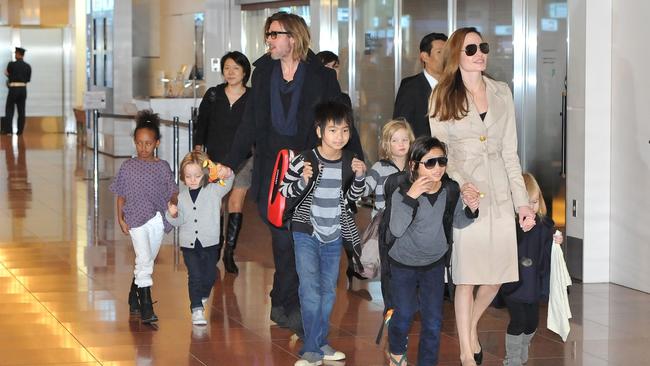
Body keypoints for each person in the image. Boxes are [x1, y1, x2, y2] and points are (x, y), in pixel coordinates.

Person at [218, 11, 364, 337]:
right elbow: (250, 123)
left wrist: (356, 160)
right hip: (273, 169)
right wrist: (230, 160)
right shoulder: (265, 71)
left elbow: (341, 117)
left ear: (292, 38)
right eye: (267, 35)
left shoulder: (321, 76)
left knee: (302, 240)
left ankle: (288, 305)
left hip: (311, 168)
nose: (268, 40)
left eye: (274, 34)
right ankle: (283, 299)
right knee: (283, 240)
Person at [428, 27, 536, 366]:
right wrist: (460, 183)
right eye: (472, 48)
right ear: (457, 53)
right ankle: (465, 352)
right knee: (467, 276)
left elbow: (510, 152)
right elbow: (441, 154)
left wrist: (522, 202)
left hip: (502, 194)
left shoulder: (502, 92)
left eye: (483, 47)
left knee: (495, 278)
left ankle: (468, 327)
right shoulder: (442, 95)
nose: (480, 53)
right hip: (468, 196)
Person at [279, 101, 366, 366]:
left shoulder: (350, 162)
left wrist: (360, 178)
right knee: (310, 291)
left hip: (334, 233)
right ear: (319, 131)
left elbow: (353, 202)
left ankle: (318, 344)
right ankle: (313, 349)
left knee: (328, 292)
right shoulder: (304, 159)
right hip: (306, 232)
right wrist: (302, 180)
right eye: (332, 130)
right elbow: (285, 192)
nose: (339, 136)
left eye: (344, 131)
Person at [387, 136, 478, 366]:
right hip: (403, 263)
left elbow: (458, 221)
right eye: (430, 162)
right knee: (405, 313)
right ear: (413, 165)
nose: (437, 168)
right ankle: (396, 348)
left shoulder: (450, 189)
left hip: (433, 265)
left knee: (434, 322)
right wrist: (411, 197)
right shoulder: (401, 192)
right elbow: (396, 229)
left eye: (441, 161)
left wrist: (472, 210)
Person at [109, 110, 178, 324]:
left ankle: (133, 295)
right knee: (145, 259)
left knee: (145, 259)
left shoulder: (163, 167)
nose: (143, 148)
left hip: (157, 219)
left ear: (156, 143)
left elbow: (173, 189)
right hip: (135, 219)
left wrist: (173, 202)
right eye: (139, 143)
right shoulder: (128, 166)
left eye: (148, 143)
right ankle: (146, 305)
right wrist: (120, 218)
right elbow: (120, 194)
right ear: (134, 142)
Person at [194, 51, 252, 274]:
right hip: (215, 159)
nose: (230, 72)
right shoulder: (213, 95)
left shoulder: (252, 97)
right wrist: (199, 149)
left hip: (245, 159)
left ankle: (229, 252)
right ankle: (216, 248)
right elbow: (202, 123)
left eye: (235, 68)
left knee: (236, 203)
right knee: (216, 203)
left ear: (244, 72)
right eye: (227, 68)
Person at [500, 173, 563, 366]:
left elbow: (548, 249)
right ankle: (512, 358)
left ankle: (523, 346)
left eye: (535, 202)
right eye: (527, 203)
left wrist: (556, 242)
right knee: (518, 320)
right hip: (514, 283)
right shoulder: (510, 224)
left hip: (533, 283)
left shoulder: (544, 225)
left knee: (532, 322)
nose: (532, 207)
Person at [166, 151, 234, 325]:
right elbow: (179, 221)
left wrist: (226, 172)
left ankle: (202, 295)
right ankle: (196, 308)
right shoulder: (181, 197)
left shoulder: (214, 190)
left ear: (204, 175)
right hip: (189, 245)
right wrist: (172, 214)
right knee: (195, 275)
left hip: (210, 243)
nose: (193, 180)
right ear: (183, 177)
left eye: (197, 175)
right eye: (188, 176)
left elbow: (229, 181)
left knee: (210, 275)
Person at [393, 33, 447, 138]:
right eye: (440, 52)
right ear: (425, 57)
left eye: (447, 52)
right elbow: (401, 126)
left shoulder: (455, 86)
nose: (445, 57)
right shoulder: (410, 87)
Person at [2, 47, 31, 135]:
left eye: (15, 53)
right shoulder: (28, 66)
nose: (15, 55)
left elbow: (7, 73)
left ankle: (9, 131)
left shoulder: (11, 64)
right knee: (21, 110)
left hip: (13, 88)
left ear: (18, 54)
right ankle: (20, 131)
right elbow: (28, 79)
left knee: (9, 109)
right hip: (23, 89)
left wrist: (10, 76)